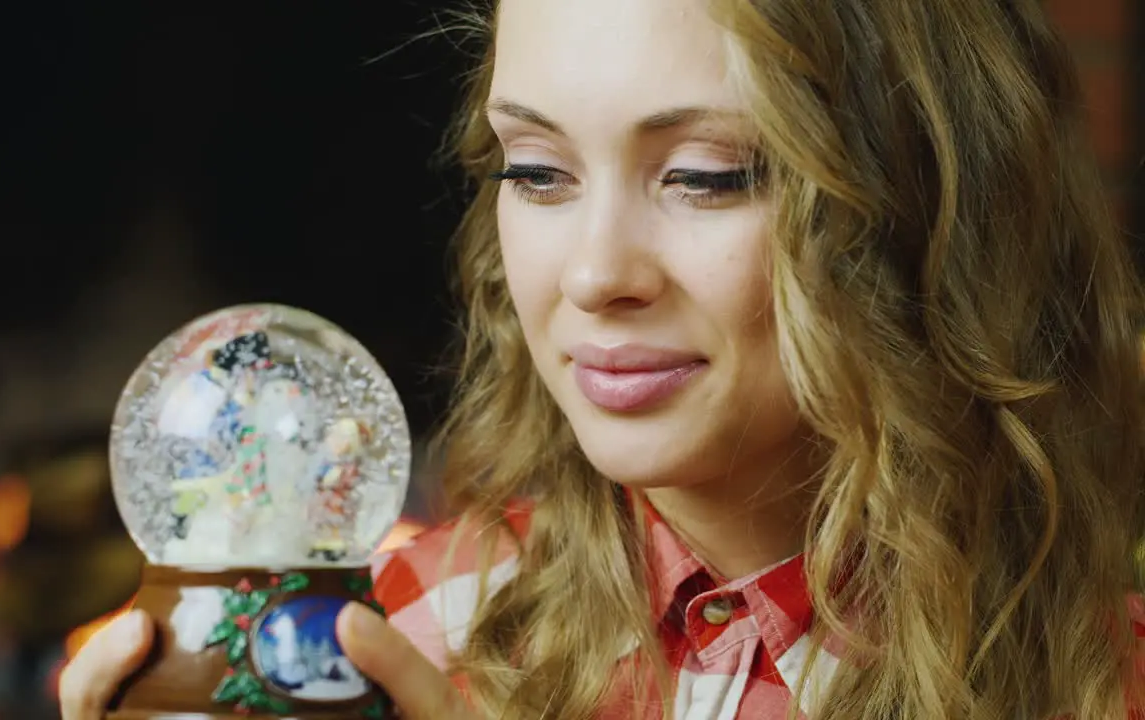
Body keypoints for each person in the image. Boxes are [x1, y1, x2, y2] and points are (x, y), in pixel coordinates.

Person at [60, 0, 1145, 717]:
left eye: (706, 175)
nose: (591, 274)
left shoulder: (1107, 681)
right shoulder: (392, 635)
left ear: (919, 207)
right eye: (535, 171)